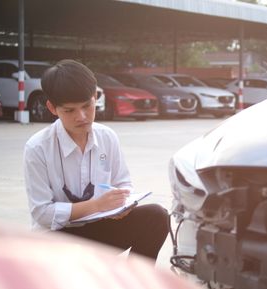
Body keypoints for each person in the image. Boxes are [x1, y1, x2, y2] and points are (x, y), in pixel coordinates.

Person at [23, 59, 169, 260]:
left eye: (86, 105)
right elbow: (42, 213)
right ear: (52, 108)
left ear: (95, 97)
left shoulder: (107, 136)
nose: (81, 116)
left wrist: (121, 205)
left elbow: (123, 184)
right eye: (69, 110)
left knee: (156, 216)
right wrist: (97, 206)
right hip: (57, 238)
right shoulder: (37, 148)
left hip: (99, 228)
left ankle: (135, 286)